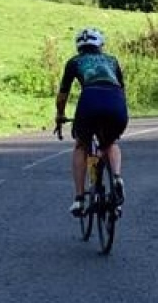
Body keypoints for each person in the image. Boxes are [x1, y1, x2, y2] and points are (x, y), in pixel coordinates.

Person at [54, 27, 128, 215]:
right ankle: (117, 178)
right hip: (116, 101)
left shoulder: (74, 62)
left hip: (90, 100)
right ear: (100, 45)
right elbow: (122, 87)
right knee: (110, 142)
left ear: (79, 46)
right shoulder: (112, 60)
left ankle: (79, 199)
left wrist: (60, 115)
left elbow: (63, 95)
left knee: (81, 145)